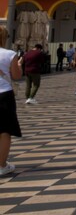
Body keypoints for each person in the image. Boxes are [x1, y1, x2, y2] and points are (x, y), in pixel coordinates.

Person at [0, 27, 23, 176]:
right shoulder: (9, 54)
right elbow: (16, 76)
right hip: (4, 94)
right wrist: (19, 65)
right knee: (4, 131)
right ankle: (2, 166)